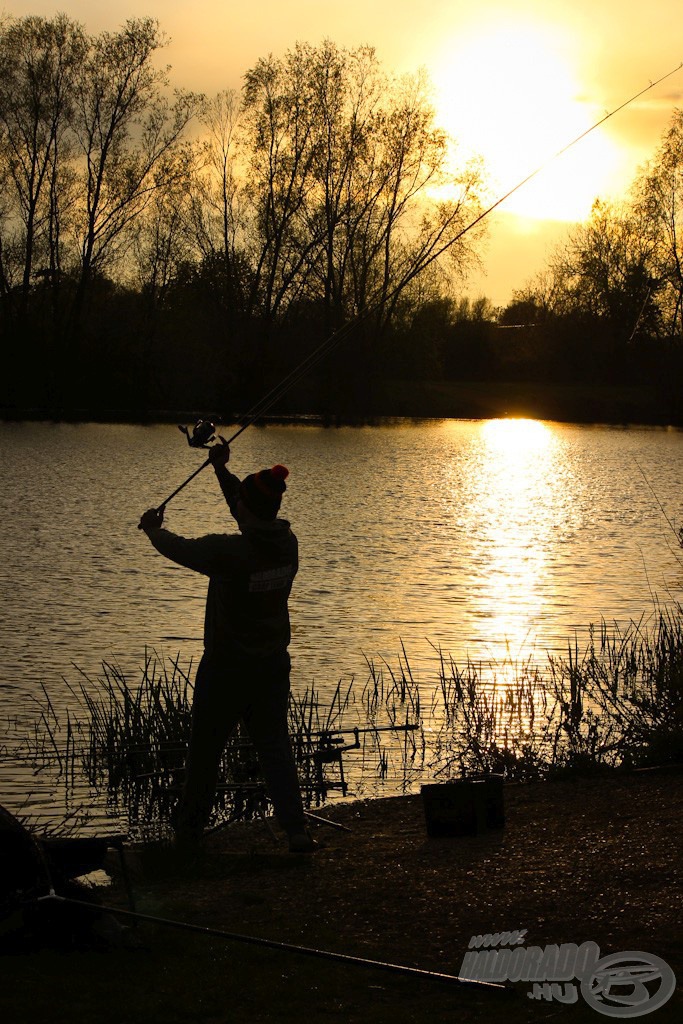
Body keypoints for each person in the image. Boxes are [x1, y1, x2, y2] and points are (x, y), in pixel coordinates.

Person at [138, 441, 314, 855]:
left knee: (204, 754)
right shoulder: (287, 544)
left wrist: (153, 530)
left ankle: (188, 837)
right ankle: (297, 832)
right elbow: (245, 506)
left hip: (225, 670)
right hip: (271, 667)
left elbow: (179, 549)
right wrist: (220, 471)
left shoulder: (229, 552)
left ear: (248, 512)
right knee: (276, 749)